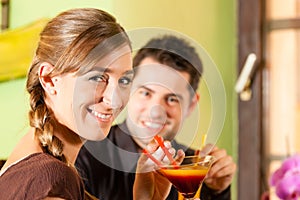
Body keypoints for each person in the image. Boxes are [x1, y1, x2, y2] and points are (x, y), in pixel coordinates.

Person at [0, 8, 181, 200]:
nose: (114, 100)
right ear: (49, 79)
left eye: (124, 81)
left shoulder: (37, 167)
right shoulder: (51, 180)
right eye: (97, 77)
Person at [75, 35, 237, 200]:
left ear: (192, 105)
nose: (156, 112)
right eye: (146, 93)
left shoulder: (196, 168)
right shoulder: (83, 156)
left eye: (172, 99)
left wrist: (217, 192)